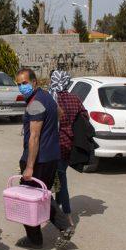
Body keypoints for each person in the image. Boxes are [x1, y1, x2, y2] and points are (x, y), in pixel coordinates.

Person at [15, 67, 75, 250]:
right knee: (42, 196)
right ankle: (64, 227)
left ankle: (35, 238)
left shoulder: (35, 104)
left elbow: (34, 137)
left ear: (34, 82)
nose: (21, 87)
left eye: (24, 83)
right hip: (51, 157)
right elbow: (60, 113)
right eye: (18, 84)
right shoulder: (47, 96)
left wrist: (29, 167)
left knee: (27, 199)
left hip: (38, 160)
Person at [48, 70, 88, 222]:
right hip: (68, 144)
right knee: (60, 176)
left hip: (52, 145)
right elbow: (85, 116)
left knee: (60, 180)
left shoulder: (50, 99)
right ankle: (58, 207)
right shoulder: (74, 99)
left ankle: (67, 214)